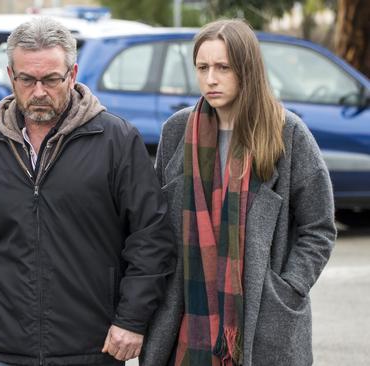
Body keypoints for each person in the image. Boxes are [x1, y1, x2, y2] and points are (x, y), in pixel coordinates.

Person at [0, 17, 176, 366]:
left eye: (51, 79)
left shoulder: (116, 141)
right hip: (3, 350)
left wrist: (130, 319)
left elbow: (151, 238)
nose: (38, 92)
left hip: (94, 347)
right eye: (27, 79)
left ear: (73, 73)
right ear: (11, 76)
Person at [141, 19, 336, 366]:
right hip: (188, 312)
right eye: (202, 67)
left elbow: (318, 227)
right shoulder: (177, 132)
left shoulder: (287, 134)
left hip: (262, 316)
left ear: (247, 69)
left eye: (223, 67)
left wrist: (288, 286)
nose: (210, 79)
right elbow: (157, 224)